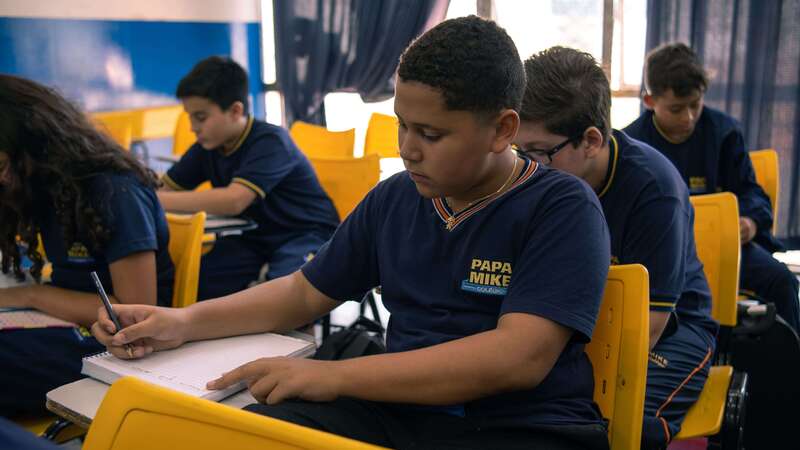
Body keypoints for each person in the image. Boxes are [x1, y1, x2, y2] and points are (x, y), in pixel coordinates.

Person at [92, 16, 612, 450]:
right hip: (404, 414)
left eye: (431, 134)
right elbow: (302, 292)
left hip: (522, 427)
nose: (409, 148)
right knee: (248, 432)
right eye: (401, 125)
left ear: (503, 129)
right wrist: (183, 322)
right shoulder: (396, 198)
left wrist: (332, 375)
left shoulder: (561, 206)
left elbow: (516, 358)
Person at [515, 46, 719, 449]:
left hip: (673, 330)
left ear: (591, 140)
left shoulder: (655, 191)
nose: (526, 166)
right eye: (519, 150)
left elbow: (650, 327)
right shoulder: (539, 181)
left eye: (539, 152)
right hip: (576, 327)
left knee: (616, 425)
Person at [0, 74, 174, 416]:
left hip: (119, 346)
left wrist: (29, 295)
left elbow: (137, 312)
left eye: (2, 165)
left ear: (34, 146)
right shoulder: (42, 187)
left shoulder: (113, 190)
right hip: (64, 325)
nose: (1, 179)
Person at [624, 42, 800, 333]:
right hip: (659, 254)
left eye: (695, 104)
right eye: (676, 109)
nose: (688, 117)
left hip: (725, 250)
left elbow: (752, 193)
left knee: (781, 280)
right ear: (649, 101)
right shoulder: (632, 144)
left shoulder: (724, 132)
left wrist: (750, 222)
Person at [159, 56, 339, 300]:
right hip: (256, 238)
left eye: (200, 117)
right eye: (189, 117)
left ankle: (302, 337)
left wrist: (156, 200)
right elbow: (165, 188)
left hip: (307, 233)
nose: (193, 127)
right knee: (194, 281)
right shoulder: (207, 147)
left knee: (289, 296)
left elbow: (234, 200)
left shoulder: (271, 141)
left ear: (235, 111)